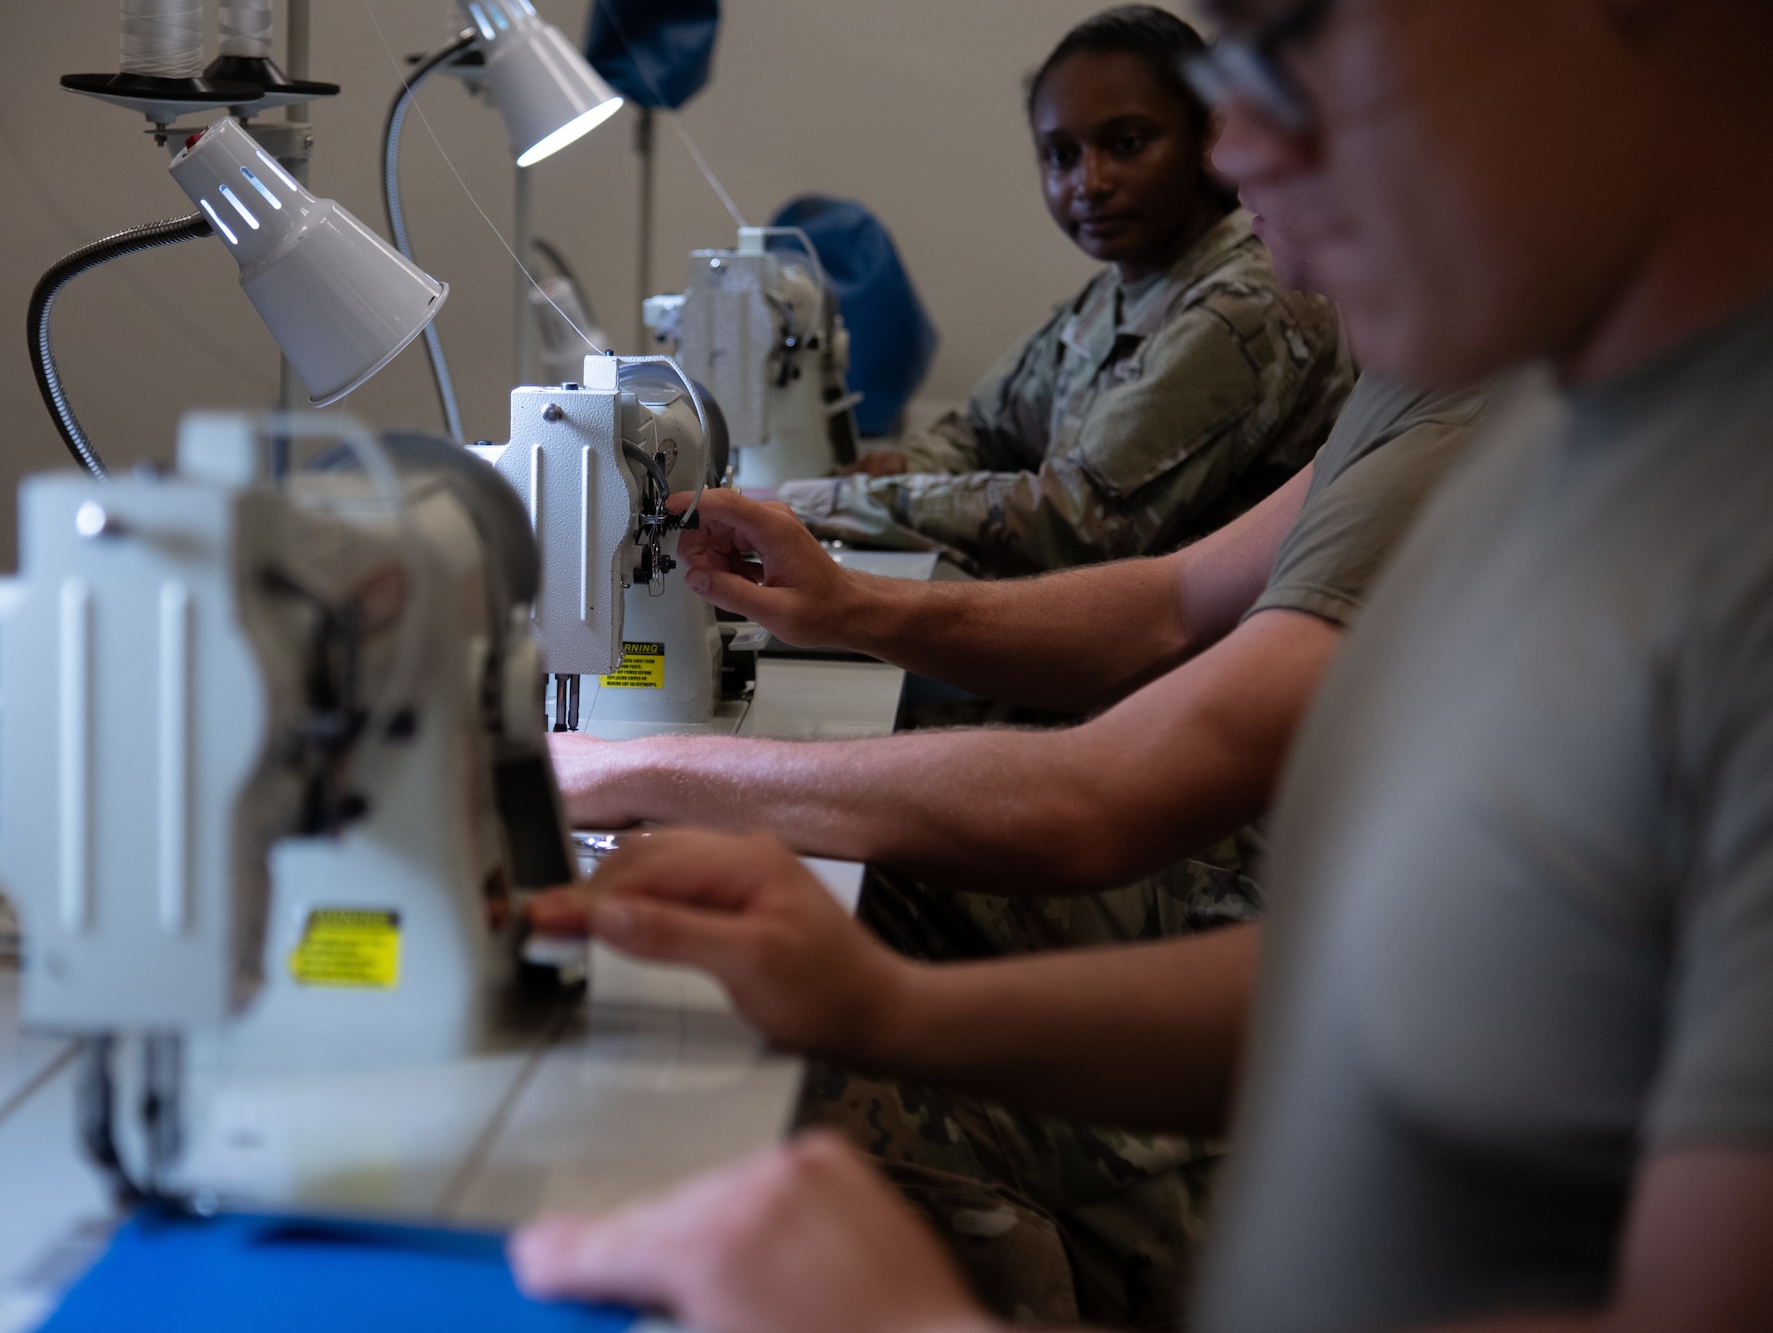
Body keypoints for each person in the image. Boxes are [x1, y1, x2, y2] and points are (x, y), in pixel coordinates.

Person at [511, 2, 1773, 1332]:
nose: (1233, 146)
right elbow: (1392, 975)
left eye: (1290, 39)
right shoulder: (1551, 425)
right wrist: (885, 1006)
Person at [548, 228, 1486, 1325]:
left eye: (1280, 73)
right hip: (1307, 957)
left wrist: (646, 765)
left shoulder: (1478, 421)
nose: (1235, 147)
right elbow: (1166, 605)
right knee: (807, 906)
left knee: (746, 1090)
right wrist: (850, 608)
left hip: (1258, 948)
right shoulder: (1415, 374)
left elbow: (1095, 803)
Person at [780, 7, 1349, 578]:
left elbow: (1081, 524)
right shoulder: (1120, 291)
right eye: (1061, 156)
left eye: (1126, 144)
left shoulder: (1246, 305)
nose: (1090, 183)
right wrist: (898, 470)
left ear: (1205, 139)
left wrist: (818, 503)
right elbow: (983, 433)